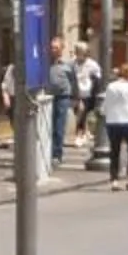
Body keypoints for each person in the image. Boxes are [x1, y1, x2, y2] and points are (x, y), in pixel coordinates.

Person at [100, 53, 128, 188]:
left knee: (115, 151)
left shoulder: (111, 86)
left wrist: (106, 114)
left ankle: (114, 180)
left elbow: (105, 107)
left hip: (113, 122)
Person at [44, 37, 77, 170]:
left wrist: (76, 98)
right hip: (48, 97)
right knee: (48, 127)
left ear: (62, 49)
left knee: (58, 127)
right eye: (52, 47)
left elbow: (74, 82)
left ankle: (57, 155)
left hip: (63, 98)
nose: (53, 50)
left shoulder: (68, 65)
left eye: (56, 48)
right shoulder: (45, 63)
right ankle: (48, 153)